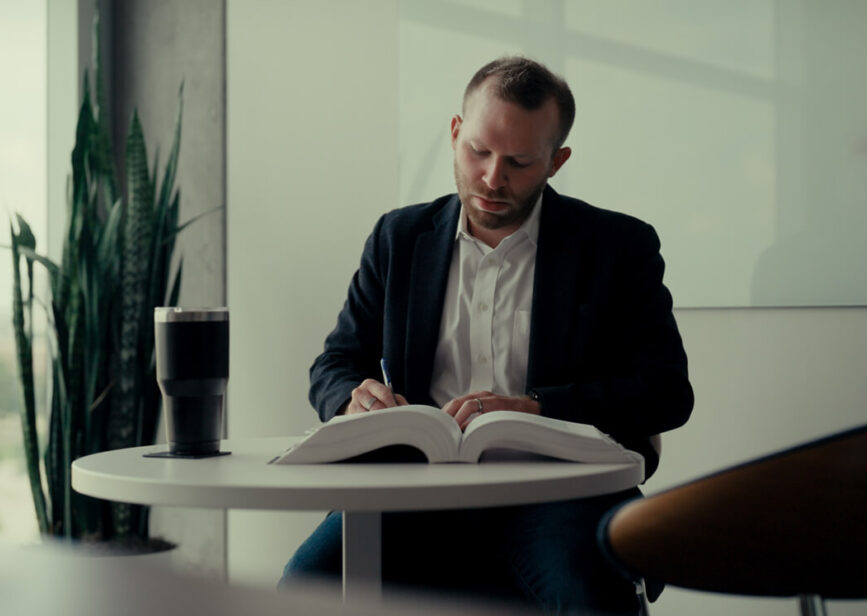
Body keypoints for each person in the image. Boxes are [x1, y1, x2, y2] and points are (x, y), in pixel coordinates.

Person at [283, 56, 693, 614]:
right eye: (478, 151)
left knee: (590, 599)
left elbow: (666, 390)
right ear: (455, 134)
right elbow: (334, 362)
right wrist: (355, 399)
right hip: (414, 491)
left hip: (559, 493)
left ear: (556, 161)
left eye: (520, 162)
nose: (493, 178)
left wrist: (535, 408)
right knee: (301, 587)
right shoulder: (399, 238)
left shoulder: (618, 247)